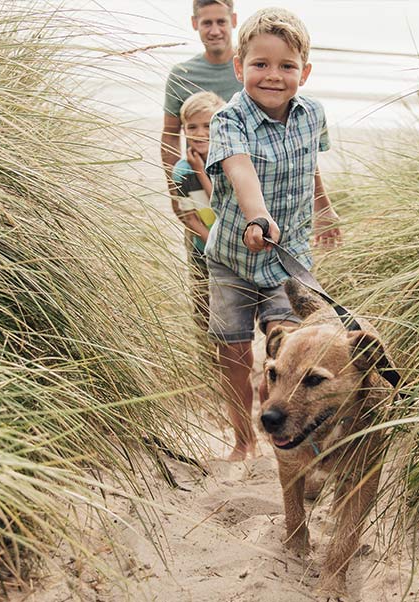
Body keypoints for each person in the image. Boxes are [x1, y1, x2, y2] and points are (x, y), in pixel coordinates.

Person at [204, 7, 342, 461]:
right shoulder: (229, 120)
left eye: (286, 66)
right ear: (239, 66)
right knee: (235, 350)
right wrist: (257, 217)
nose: (273, 76)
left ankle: (292, 426)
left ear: (304, 72)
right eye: (260, 65)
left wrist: (323, 207)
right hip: (233, 258)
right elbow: (240, 170)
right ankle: (243, 439)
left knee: (292, 345)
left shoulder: (312, 114)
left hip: (289, 259)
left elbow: (309, 166)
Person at [161, 0, 242, 225]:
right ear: (195, 23)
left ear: (233, 21)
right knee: (200, 250)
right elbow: (170, 134)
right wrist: (174, 191)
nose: (215, 31)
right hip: (195, 185)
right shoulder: (182, 74)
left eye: (221, 22)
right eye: (207, 23)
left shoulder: (249, 69)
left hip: (242, 185)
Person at [171, 91, 226, 332]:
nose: (200, 133)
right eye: (192, 127)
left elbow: (222, 204)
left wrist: (201, 171)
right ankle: (207, 361)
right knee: (203, 305)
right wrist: (209, 242)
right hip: (202, 247)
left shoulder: (229, 162)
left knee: (230, 307)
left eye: (208, 125)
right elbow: (188, 216)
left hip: (233, 246)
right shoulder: (182, 171)